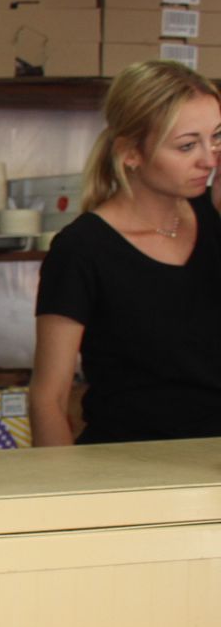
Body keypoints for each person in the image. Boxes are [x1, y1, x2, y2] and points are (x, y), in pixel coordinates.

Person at [30, 60, 221, 446]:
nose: (209, 159)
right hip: (129, 471)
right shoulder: (83, 248)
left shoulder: (214, 219)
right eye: (187, 145)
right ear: (131, 153)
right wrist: (67, 498)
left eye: (217, 138)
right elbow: (47, 399)